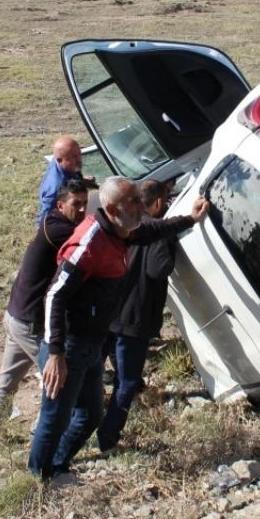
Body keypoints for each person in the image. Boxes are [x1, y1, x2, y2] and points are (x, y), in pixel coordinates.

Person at [27, 176, 207, 479]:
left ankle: (57, 466)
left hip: (91, 345)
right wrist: (56, 352)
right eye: (133, 202)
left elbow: (152, 229)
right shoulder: (90, 242)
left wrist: (190, 218)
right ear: (111, 208)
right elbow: (56, 295)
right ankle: (39, 478)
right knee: (55, 419)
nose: (140, 206)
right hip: (69, 347)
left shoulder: (121, 230)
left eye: (139, 199)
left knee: (91, 415)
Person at [0, 179, 90, 432]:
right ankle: (46, 433)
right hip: (30, 322)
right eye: (76, 204)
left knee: (8, 380)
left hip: (16, 315)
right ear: (60, 205)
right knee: (58, 377)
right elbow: (91, 242)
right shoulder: (62, 232)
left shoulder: (52, 221)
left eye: (85, 204)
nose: (81, 210)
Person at [96, 178, 189, 453]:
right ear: (159, 202)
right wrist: (171, 243)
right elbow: (159, 270)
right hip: (134, 318)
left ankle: (83, 422)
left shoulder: (124, 225)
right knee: (125, 381)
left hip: (109, 312)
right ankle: (108, 436)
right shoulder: (156, 232)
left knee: (93, 371)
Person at [37, 136, 85, 225]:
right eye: (74, 157)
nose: (79, 159)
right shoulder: (55, 188)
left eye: (79, 154)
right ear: (60, 160)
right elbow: (45, 220)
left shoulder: (62, 162)